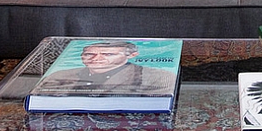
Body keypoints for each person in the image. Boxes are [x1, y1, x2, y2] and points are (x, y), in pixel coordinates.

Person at [40, 41, 175, 92]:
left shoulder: (159, 77)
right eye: (89, 54)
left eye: (108, 54)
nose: (97, 59)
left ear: (132, 55)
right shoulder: (59, 75)